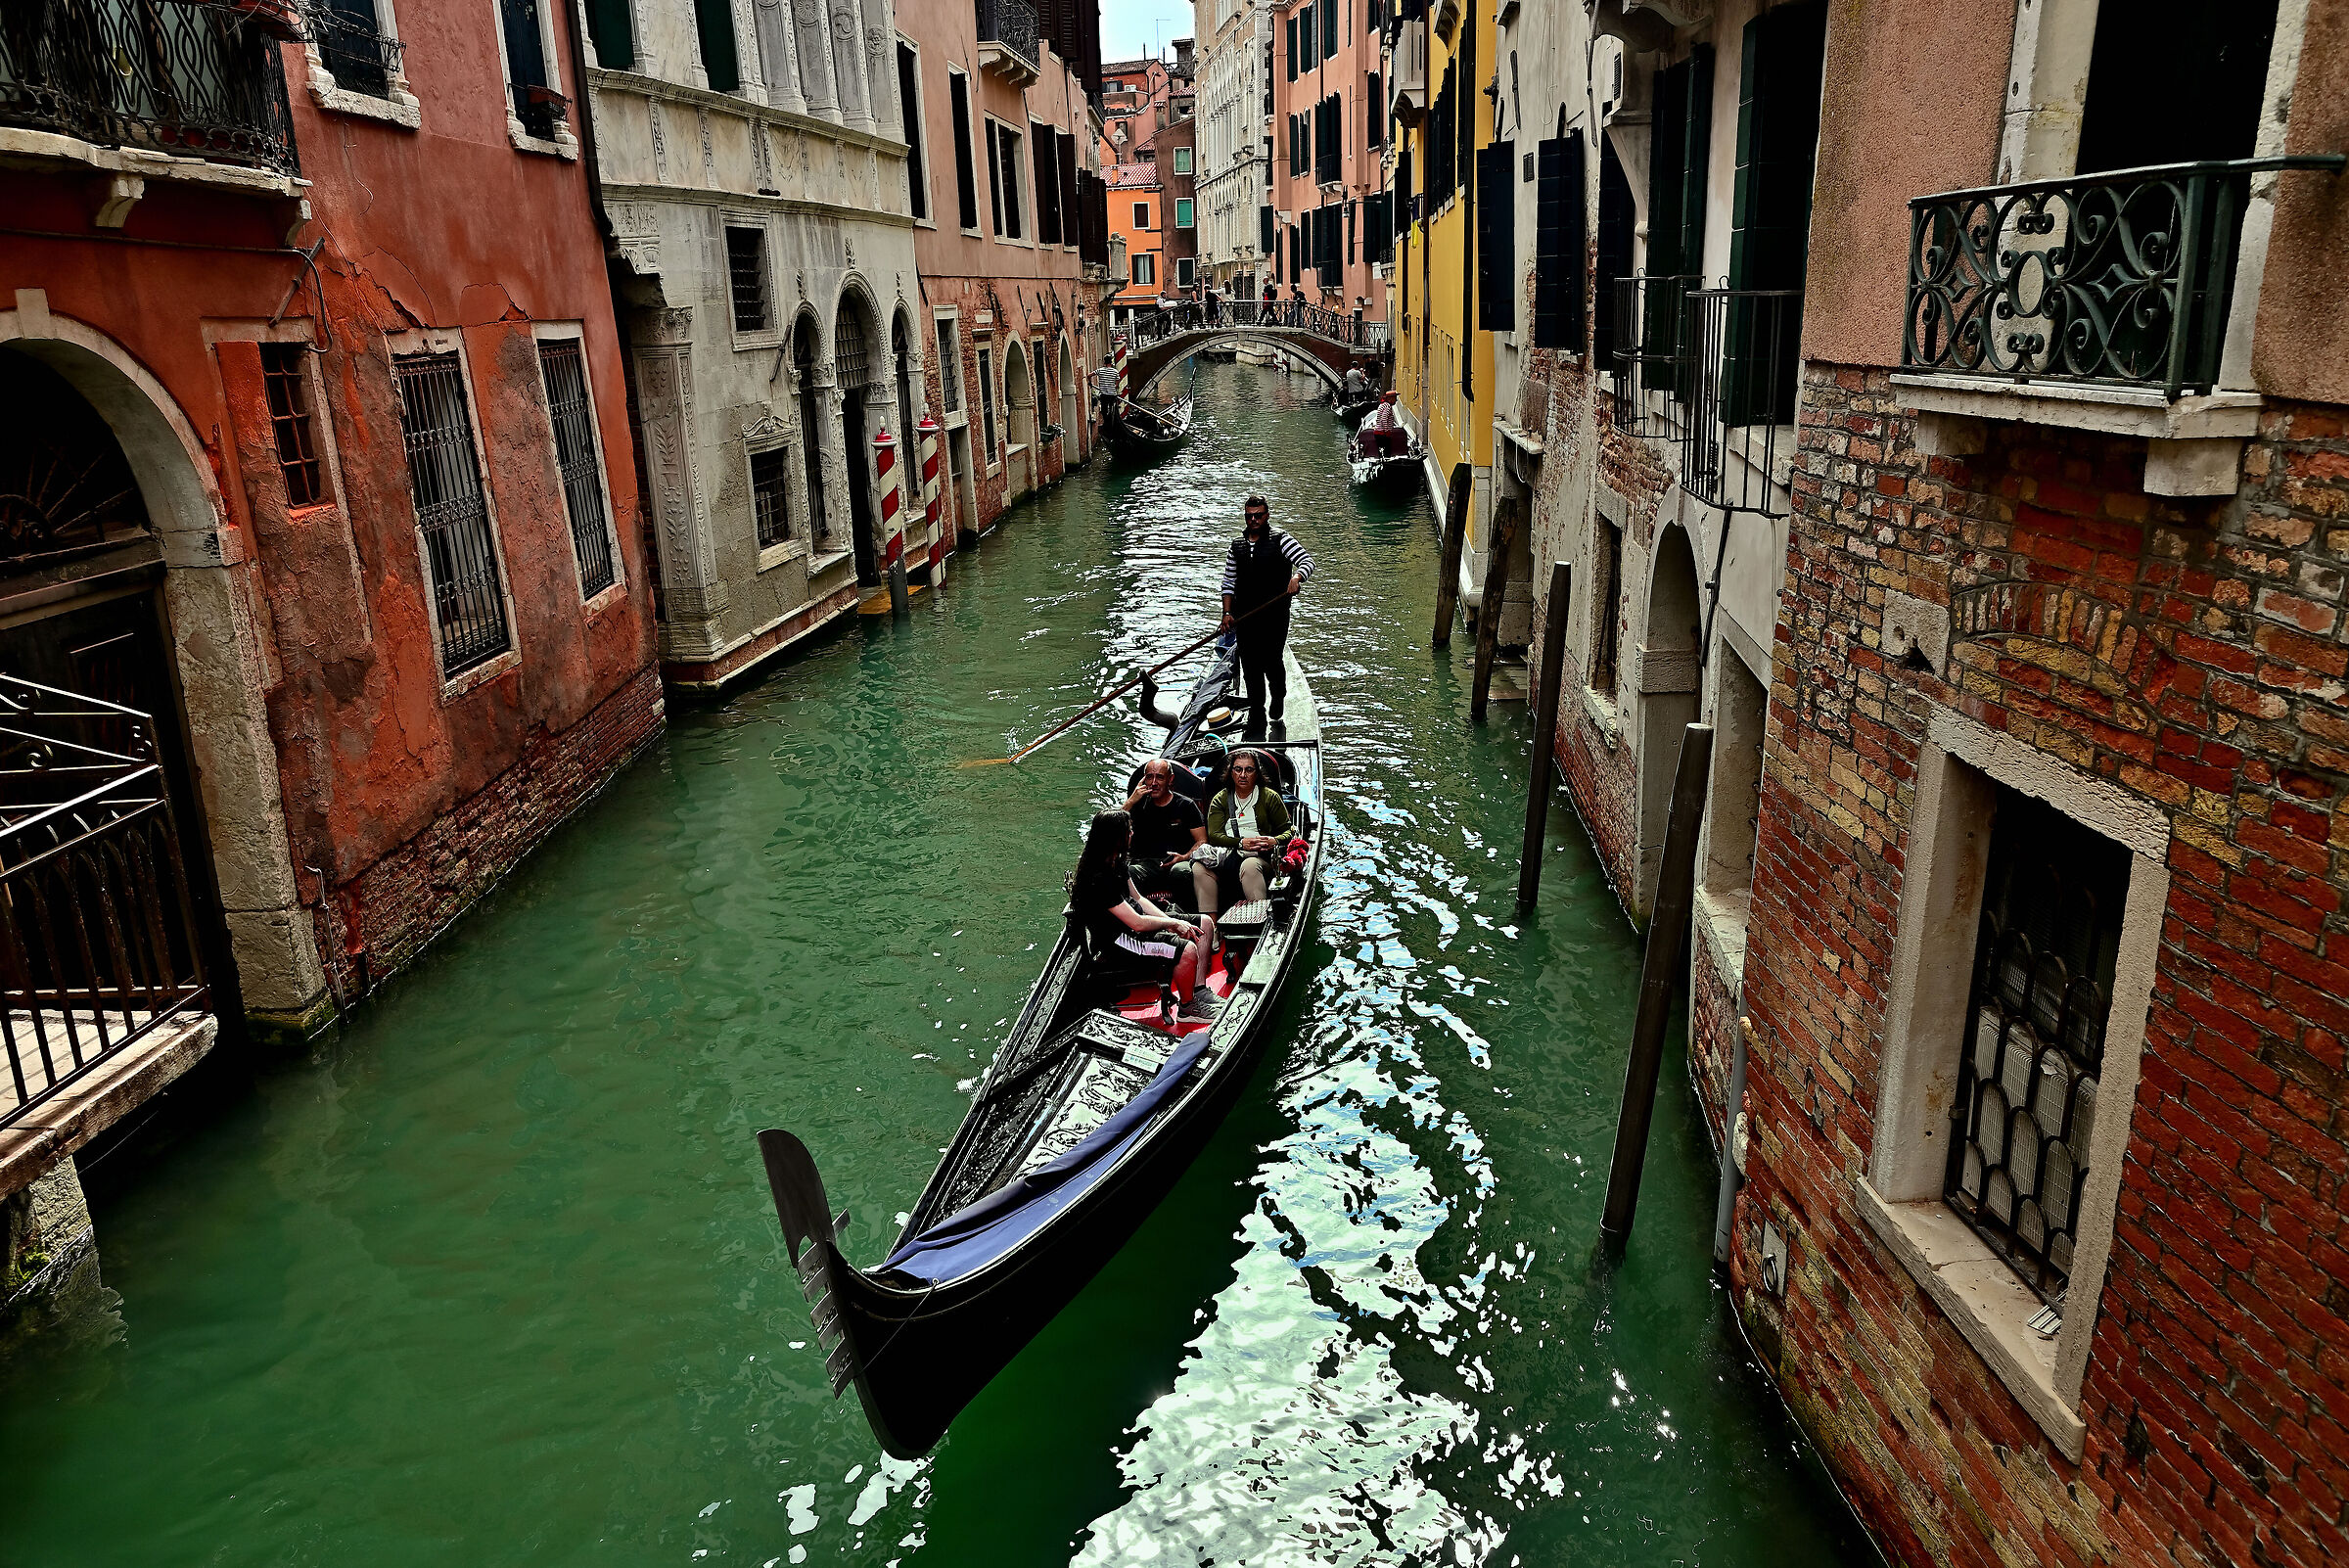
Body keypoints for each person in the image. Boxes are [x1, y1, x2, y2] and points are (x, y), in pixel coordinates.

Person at [1070, 811, 1219, 1019]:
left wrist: (1168, 922)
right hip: (1121, 940)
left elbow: (1139, 899)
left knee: (1204, 924)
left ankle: (1199, 991)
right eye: (1128, 830)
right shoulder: (1098, 878)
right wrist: (1173, 924)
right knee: (1187, 950)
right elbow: (1137, 923)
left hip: (1135, 925)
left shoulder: (1117, 862)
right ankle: (1187, 1007)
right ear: (1116, 837)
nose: (1132, 833)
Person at [1219, 496, 1313, 733]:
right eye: (1249, 516)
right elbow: (1228, 582)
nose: (1253, 520)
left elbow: (1307, 561)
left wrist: (1296, 578)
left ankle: (1278, 696)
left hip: (1274, 615)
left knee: (1272, 661)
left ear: (1267, 516)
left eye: (1258, 515)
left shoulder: (1281, 540)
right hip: (1246, 616)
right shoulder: (1236, 546)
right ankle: (1257, 711)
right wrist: (1227, 613)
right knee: (1249, 665)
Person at [1191, 749, 1293, 917]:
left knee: (1250, 865)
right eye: (1238, 769)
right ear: (1231, 773)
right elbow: (1214, 835)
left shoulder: (1270, 797)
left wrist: (1273, 841)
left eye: (1249, 770)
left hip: (1261, 858)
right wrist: (1240, 843)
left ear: (1256, 773)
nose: (1243, 775)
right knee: (1198, 867)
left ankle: (1259, 920)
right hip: (1229, 855)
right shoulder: (1220, 799)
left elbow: (1289, 831)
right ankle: (1212, 927)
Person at [1124, 757, 1207, 899]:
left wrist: (1184, 857)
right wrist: (1131, 801)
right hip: (1146, 865)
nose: (1154, 783)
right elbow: (1110, 828)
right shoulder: (1137, 804)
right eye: (1150, 778)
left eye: (1160, 778)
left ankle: (1187, 915)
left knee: (1181, 872)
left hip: (1179, 862)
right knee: (1128, 873)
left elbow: (1202, 841)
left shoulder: (1186, 805)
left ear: (1170, 779)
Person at [1359, 391, 1406, 458]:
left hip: (1379, 432)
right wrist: (1386, 431)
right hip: (1383, 433)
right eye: (1395, 398)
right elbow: (1383, 419)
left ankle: (1382, 460)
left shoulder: (1382, 405)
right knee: (1387, 450)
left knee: (1382, 450)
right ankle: (1387, 461)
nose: (1396, 400)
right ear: (1390, 399)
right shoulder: (1387, 407)